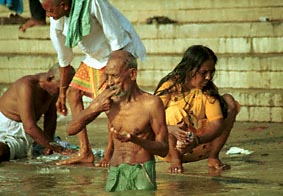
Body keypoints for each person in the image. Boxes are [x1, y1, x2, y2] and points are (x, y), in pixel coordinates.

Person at [40, 0, 146, 165]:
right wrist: (61, 92)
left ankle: (110, 151)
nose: (47, 15)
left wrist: (110, 72)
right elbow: (64, 58)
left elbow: (116, 38)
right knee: (72, 93)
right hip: (93, 57)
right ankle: (85, 151)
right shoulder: (56, 20)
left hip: (118, 52)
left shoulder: (93, 3)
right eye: (45, 11)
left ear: (64, 5)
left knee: (108, 101)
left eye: (49, 10)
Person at [65, 50, 169, 192]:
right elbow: (71, 130)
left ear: (132, 74)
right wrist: (94, 108)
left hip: (141, 172)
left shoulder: (151, 104)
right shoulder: (107, 100)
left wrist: (135, 139)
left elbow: (163, 149)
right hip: (115, 173)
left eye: (114, 76)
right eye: (107, 76)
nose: (110, 82)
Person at [154, 45, 240, 173]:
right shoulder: (170, 86)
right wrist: (170, 129)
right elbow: (149, 119)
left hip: (199, 146)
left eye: (211, 72)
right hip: (167, 149)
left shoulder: (207, 89)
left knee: (229, 102)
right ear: (190, 70)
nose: (208, 77)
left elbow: (217, 123)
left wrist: (197, 140)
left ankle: (213, 157)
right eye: (204, 73)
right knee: (173, 112)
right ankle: (175, 160)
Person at [0, 64, 75, 162]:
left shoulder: (52, 90)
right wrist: (58, 148)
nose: (63, 93)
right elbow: (29, 127)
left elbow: (50, 118)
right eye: (61, 88)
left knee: (71, 151)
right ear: (50, 78)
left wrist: (49, 143)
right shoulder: (26, 86)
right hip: (8, 129)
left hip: (28, 132)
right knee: (2, 152)